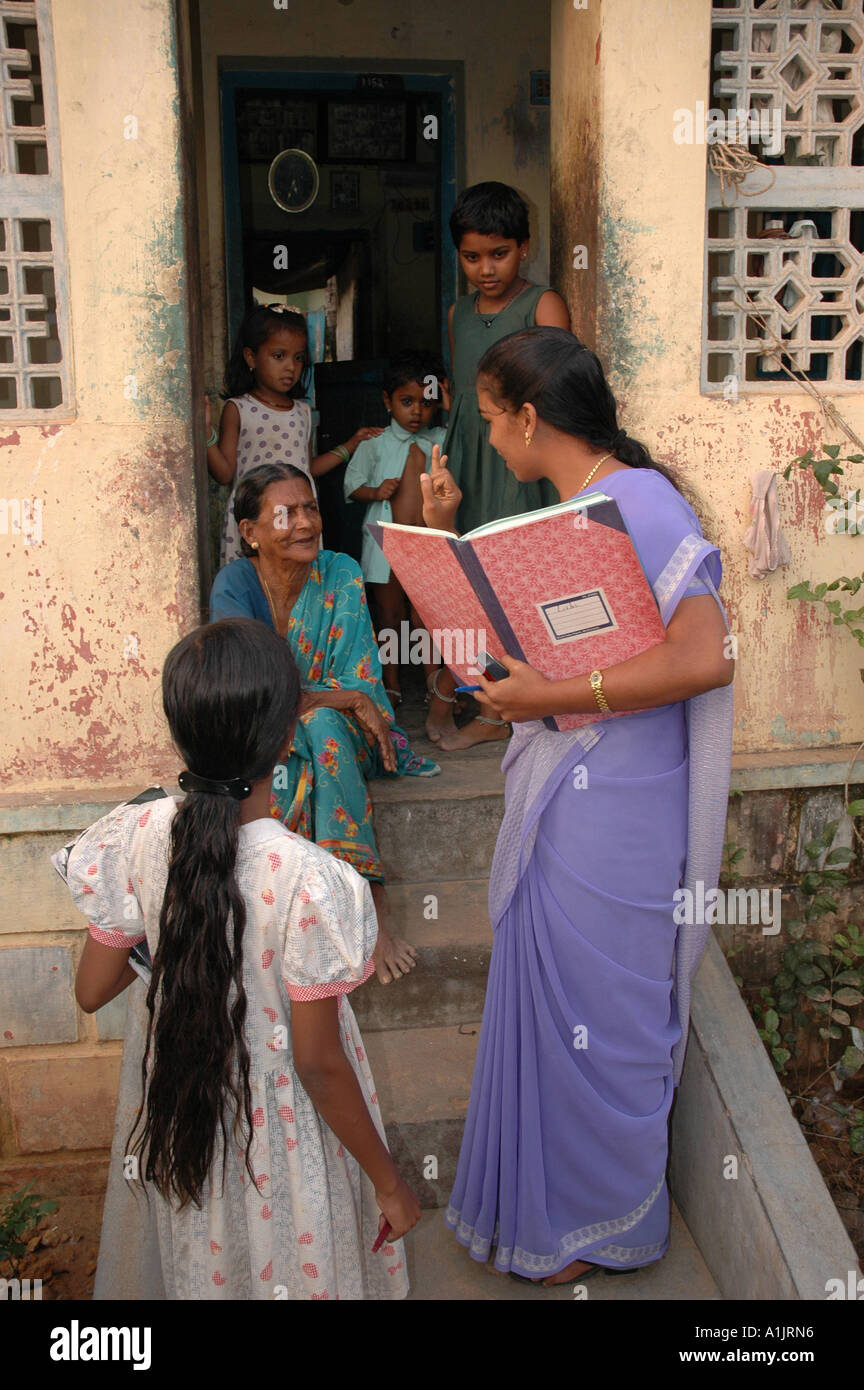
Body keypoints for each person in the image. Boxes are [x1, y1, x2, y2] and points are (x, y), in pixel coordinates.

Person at [419, 326, 735, 1286]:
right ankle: (545, 1214)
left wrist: (548, 700)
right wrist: (443, 541)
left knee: (608, 1007)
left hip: (623, 798)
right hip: (565, 786)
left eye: (488, 420)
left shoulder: (638, 500)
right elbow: (511, 662)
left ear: (527, 416)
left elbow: (703, 656)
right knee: (556, 1006)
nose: (486, 437)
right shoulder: (566, 510)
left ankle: (606, 1220)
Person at [67, 618, 421, 1300]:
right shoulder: (311, 879)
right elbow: (317, 1063)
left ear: (179, 735)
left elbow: (91, 990)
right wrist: (389, 1182)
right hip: (283, 1141)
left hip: (186, 1119)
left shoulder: (138, 834)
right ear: (288, 737)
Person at [210, 462, 439, 986]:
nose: (306, 523)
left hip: (344, 734)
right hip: (266, 736)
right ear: (250, 532)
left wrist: (347, 700)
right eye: (286, 514)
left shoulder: (341, 573)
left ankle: (366, 903)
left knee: (324, 730)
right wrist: (344, 697)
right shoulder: (235, 584)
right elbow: (247, 686)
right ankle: (329, 910)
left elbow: (360, 678)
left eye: (310, 507)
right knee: (318, 725)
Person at [427, 181, 571, 750]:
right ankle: (472, 693)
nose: (486, 269)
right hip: (469, 456)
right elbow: (461, 397)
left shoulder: (542, 305)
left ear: (524, 246)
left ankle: (502, 715)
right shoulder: (456, 312)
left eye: (499, 253)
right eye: (471, 256)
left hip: (521, 462)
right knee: (469, 576)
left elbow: (559, 389)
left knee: (516, 576)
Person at [205, 303, 383, 564]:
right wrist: (206, 433)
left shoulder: (302, 411)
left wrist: (351, 444)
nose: (290, 367)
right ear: (251, 357)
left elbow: (307, 467)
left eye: (298, 358)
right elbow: (224, 473)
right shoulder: (238, 409)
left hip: (298, 517)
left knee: (297, 588)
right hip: (257, 518)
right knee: (255, 589)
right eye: (279, 356)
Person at [344, 349, 449, 704]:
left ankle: (433, 682)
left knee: (425, 614)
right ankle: (391, 682)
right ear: (388, 401)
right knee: (390, 617)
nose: (417, 410)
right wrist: (375, 491)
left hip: (426, 546)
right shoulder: (375, 444)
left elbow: (464, 427)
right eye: (407, 401)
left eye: (426, 402)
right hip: (385, 544)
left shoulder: (441, 440)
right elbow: (350, 485)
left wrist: (447, 400)